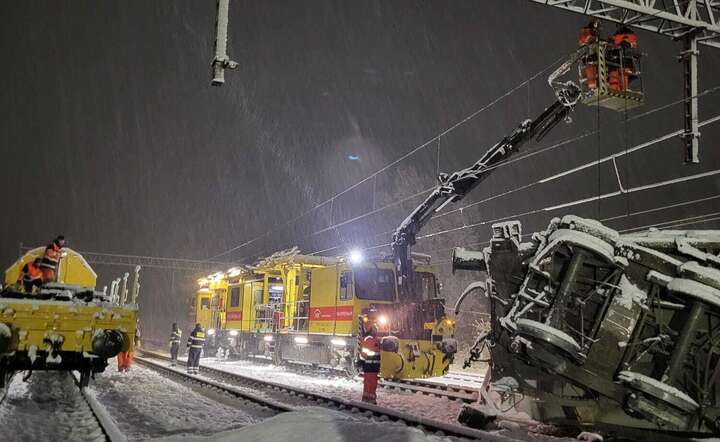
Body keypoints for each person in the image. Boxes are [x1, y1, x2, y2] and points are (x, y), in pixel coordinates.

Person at [609, 26, 638, 92]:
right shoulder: (630, 38)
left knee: (617, 80)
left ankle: (619, 90)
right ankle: (621, 89)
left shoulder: (620, 39)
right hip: (624, 65)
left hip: (619, 65)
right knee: (622, 81)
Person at [359, 324, 381, 404]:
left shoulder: (369, 339)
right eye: (375, 330)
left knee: (368, 381)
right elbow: (366, 353)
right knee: (372, 382)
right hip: (372, 365)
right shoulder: (371, 340)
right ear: (372, 331)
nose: (376, 332)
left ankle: (366, 397)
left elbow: (364, 354)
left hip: (369, 365)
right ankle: (371, 399)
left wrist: (362, 362)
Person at [578, 19, 601, 91]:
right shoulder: (587, 31)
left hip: (589, 54)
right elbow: (585, 41)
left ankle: (592, 87)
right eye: (596, 24)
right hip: (587, 53)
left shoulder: (591, 32)